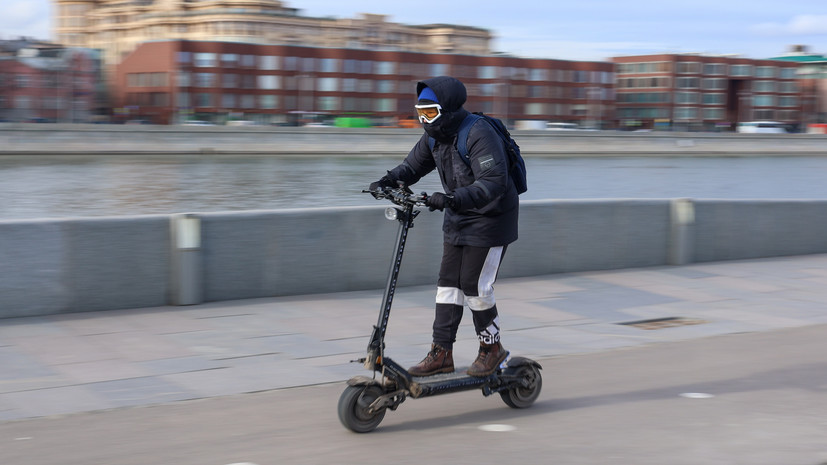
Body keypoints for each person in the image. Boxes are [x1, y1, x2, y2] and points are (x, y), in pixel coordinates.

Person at [369, 76, 519, 377]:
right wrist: (387, 180)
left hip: (491, 219)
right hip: (458, 216)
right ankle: (442, 353)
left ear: (447, 110)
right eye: (420, 113)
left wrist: (451, 198)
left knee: (475, 285)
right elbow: (412, 167)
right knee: (448, 286)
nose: (425, 120)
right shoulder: (434, 136)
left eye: (430, 113)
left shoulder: (478, 132)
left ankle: (492, 349)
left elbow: (493, 182)